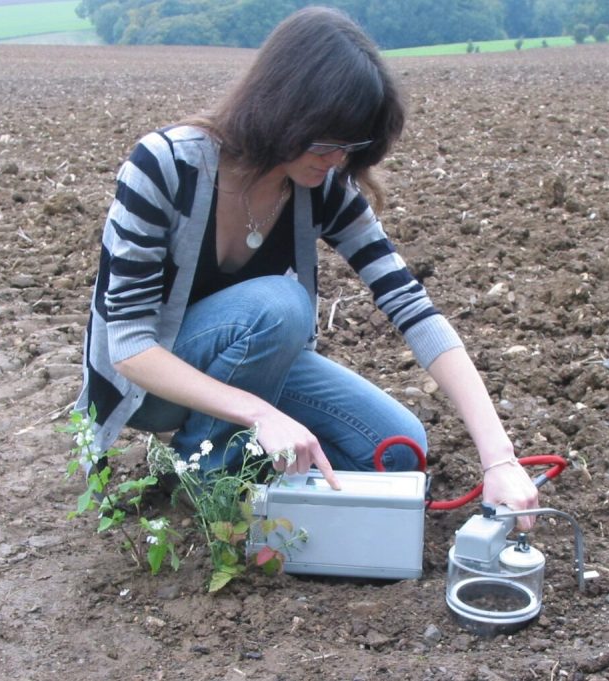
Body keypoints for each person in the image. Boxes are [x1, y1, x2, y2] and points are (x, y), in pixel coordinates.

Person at [75, 6, 538, 528]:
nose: (336, 159)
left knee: (397, 450)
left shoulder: (323, 189)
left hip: (253, 361)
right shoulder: (165, 166)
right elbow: (130, 346)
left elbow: (411, 306)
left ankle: (251, 472)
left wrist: (499, 459)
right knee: (280, 306)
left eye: (351, 145)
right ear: (282, 107)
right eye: (326, 140)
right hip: (151, 387)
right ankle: (206, 482)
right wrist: (260, 413)